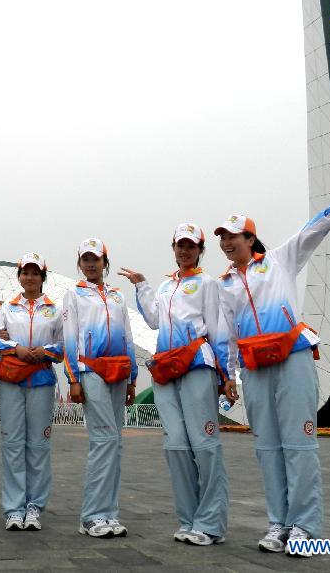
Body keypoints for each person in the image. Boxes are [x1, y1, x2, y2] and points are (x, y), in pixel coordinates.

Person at [214, 176, 330, 557]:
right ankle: (279, 522)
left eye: (233, 236)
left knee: (299, 443)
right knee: (268, 446)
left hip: (292, 358)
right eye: (222, 238)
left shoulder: (279, 260)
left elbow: (314, 229)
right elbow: (226, 335)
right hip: (255, 369)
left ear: (249, 239)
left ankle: (305, 526)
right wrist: (227, 376)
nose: (226, 243)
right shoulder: (223, 284)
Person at [119, 223, 230, 546]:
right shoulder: (167, 286)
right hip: (166, 369)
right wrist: (142, 286)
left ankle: (210, 524)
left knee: (205, 445)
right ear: (173, 248)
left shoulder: (208, 284)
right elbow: (154, 320)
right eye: (179, 246)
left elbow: (219, 330)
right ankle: (189, 519)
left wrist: (225, 376)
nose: (184, 251)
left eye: (190, 246)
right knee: (176, 446)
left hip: (197, 364)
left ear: (200, 249)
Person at [62, 238, 138, 538]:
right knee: (103, 440)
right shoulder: (74, 294)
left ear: (106, 262)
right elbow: (69, 337)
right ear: (80, 264)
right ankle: (91, 516)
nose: (91, 264)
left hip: (119, 372)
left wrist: (133, 377)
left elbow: (129, 337)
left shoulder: (118, 296)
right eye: (86, 259)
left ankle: (109, 514)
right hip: (90, 369)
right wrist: (73, 380)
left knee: (114, 443)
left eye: (97, 259)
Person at [0, 252, 64, 531]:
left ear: (42, 277)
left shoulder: (54, 309)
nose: (30, 277)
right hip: (11, 381)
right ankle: (13, 508)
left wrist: (46, 351)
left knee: (39, 445)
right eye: (25, 272)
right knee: (12, 445)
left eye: (35, 273)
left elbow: (65, 344)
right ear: (19, 276)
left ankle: (33, 507)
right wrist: (16, 348)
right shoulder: (8, 307)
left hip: (42, 381)